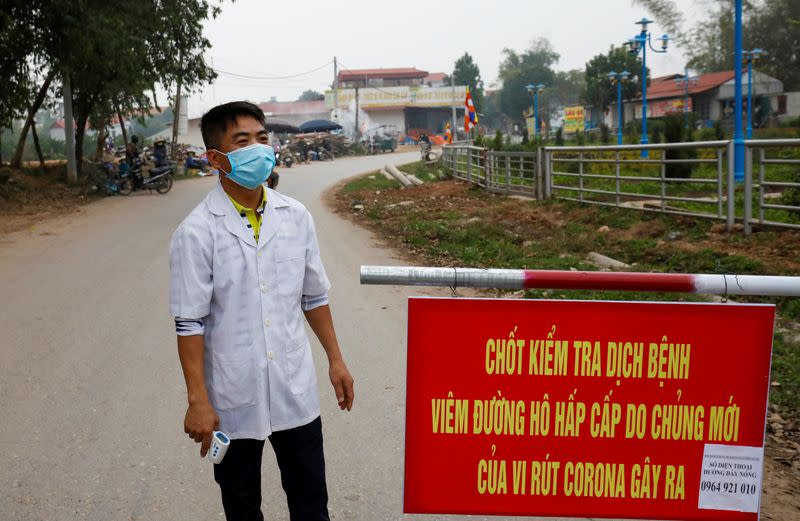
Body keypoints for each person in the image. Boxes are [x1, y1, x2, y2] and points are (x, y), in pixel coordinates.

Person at [169, 101, 354, 521]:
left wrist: (336, 360)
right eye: (243, 140)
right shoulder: (196, 234)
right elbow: (189, 322)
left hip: (295, 389)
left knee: (311, 505)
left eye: (262, 138)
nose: (258, 147)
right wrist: (197, 399)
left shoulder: (296, 217)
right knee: (242, 507)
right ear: (216, 159)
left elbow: (314, 297)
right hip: (234, 396)